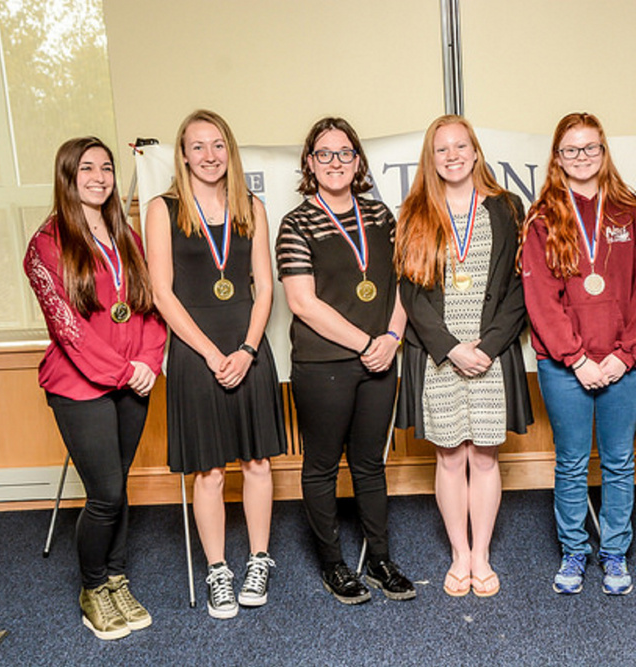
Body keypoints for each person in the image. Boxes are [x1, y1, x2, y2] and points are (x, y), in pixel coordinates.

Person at [24, 137, 166, 640]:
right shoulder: (46, 243)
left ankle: (117, 579)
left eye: (106, 168)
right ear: (68, 175)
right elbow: (68, 329)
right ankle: (92, 587)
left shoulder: (125, 232)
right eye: (87, 168)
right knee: (104, 493)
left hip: (135, 377)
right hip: (79, 384)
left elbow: (150, 304)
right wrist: (125, 372)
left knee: (118, 484)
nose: (100, 177)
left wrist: (149, 360)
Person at [146, 109, 284, 618]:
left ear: (230, 150)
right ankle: (218, 570)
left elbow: (264, 287)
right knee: (208, 471)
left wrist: (247, 351)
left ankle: (259, 559)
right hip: (194, 351)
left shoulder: (252, 207)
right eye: (198, 146)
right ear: (183, 155)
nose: (209, 155)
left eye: (218, 144)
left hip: (248, 347)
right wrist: (210, 353)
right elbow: (162, 293)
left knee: (257, 462)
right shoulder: (164, 208)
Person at [520, 112, 636, 596]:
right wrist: (576, 358)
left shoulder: (632, 213)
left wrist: (625, 355)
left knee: (621, 461)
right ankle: (574, 551)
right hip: (564, 367)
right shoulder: (542, 221)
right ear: (557, 158)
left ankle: (615, 551)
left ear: (604, 152)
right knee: (572, 462)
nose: (582, 158)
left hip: (625, 363)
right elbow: (541, 301)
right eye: (571, 150)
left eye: (590, 148)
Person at [277, 117, 415, 605]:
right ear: (310, 164)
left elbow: (405, 283)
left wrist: (393, 336)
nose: (335, 162)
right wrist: (367, 343)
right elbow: (302, 302)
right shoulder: (296, 223)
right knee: (320, 466)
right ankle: (333, 565)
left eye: (344, 153)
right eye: (324, 154)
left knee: (369, 464)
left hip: (382, 357)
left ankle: (378, 558)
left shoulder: (381, 217)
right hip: (325, 364)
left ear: (358, 161)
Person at [395, 115, 533, 598]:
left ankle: (482, 554)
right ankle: (459, 554)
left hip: (491, 354)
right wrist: (452, 348)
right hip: (440, 355)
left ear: (475, 152)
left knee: (486, 457)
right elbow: (410, 293)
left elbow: (521, 286)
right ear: (430, 160)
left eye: (460, 146)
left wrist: (489, 347)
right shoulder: (414, 212)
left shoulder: (507, 207)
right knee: (452, 458)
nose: (452, 156)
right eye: (441, 149)